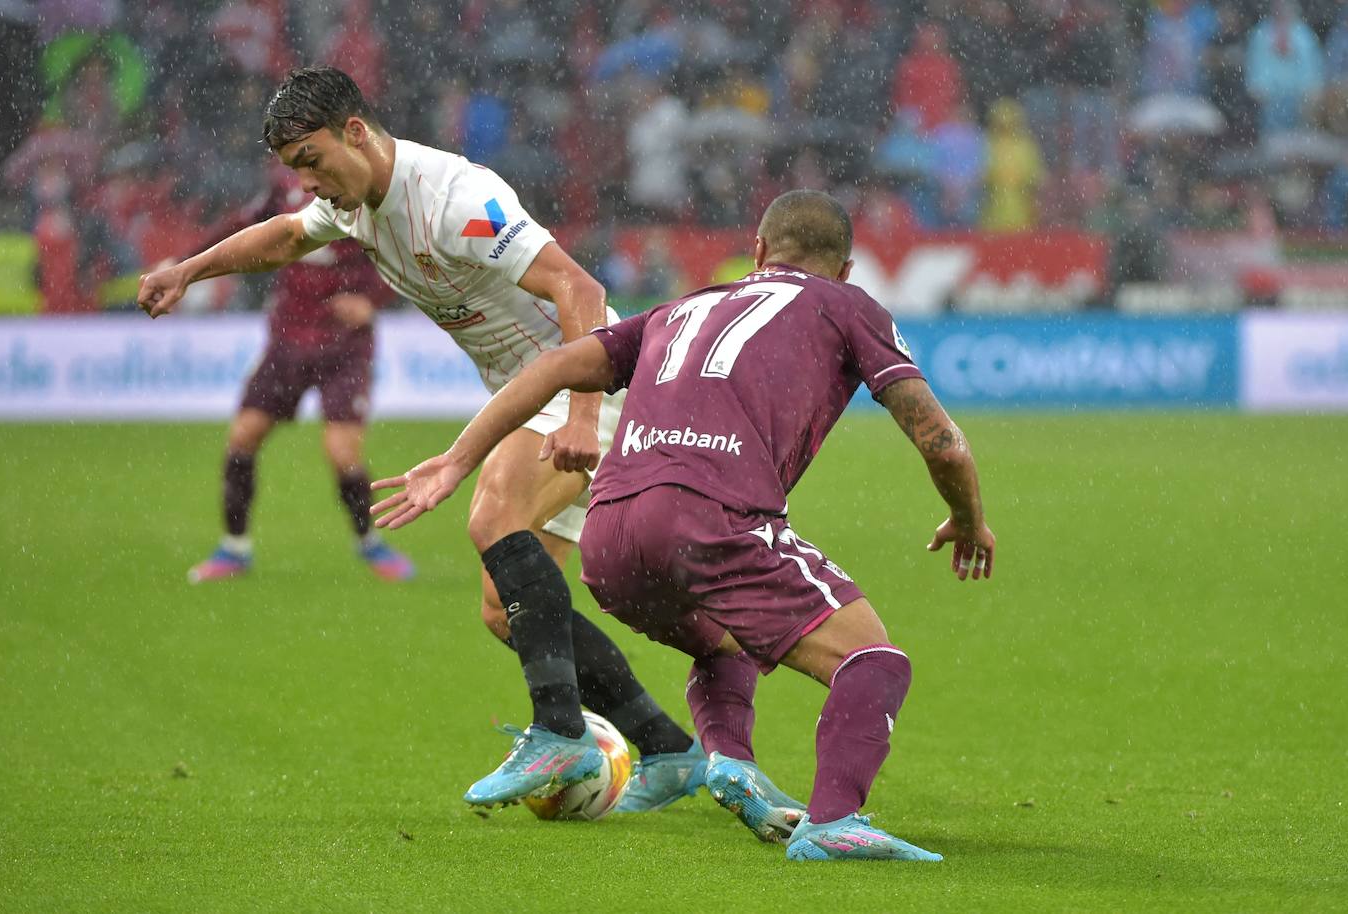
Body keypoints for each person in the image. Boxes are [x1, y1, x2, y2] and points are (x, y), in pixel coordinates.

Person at [136, 66, 711, 811]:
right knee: (508, 610)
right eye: (293, 170)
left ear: (356, 132)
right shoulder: (351, 204)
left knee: (492, 516)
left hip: (582, 386)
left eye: (311, 161)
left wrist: (577, 410)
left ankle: (562, 736)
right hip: (529, 399)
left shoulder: (455, 200)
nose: (307, 183)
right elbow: (284, 237)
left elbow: (580, 291)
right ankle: (668, 749)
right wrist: (189, 269)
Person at [369, 189, 996, 861]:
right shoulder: (847, 304)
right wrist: (968, 518)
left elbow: (553, 363)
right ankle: (833, 823)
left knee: (720, 644)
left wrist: (458, 459)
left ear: (756, 252)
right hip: (711, 516)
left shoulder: (682, 306)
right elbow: (941, 441)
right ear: (844, 270)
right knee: (874, 663)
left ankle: (728, 759)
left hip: (611, 536)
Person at [183, 161, 416, 584]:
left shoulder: (364, 182)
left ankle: (370, 543)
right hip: (288, 338)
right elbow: (243, 226)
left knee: (343, 453)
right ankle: (234, 550)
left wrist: (374, 300)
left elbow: (409, 248)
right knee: (242, 437)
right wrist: (186, 266)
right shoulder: (284, 183)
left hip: (344, 343)